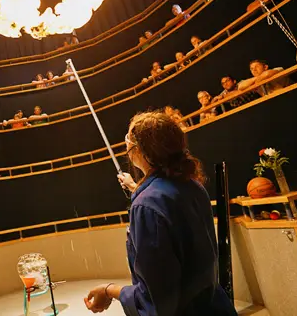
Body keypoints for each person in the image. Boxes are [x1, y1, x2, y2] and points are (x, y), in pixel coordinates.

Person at [84, 111, 237, 316]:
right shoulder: (192, 185)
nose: (126, 145)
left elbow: (157, 303)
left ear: (140, 150)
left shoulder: (145, 206)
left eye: (128, 140)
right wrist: (136, 188)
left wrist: (109, 290)